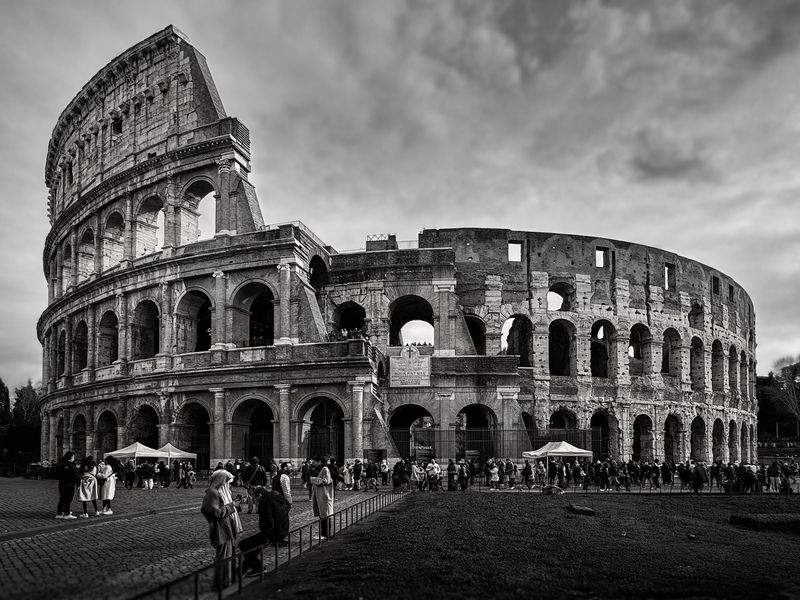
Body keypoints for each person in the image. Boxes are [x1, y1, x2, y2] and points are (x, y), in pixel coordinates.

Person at [201, 469, 243, 589]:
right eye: (227, 482)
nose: (228, 485)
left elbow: (224, 508)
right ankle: (221, 583)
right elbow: (216, 513)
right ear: (221, 481)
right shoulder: (212, 493)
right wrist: (232, 505)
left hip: (227, 527)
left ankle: (228, 580)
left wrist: (235, 504)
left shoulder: (221, 492)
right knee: (224, 555)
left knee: (229, 554)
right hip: (221, 528)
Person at [239, 485, 291, 576]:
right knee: (252, 549)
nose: (256, 501)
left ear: (259, 495)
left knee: (243, 545)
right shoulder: (277, 497)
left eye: (255, 498)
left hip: (272, 533)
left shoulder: (264, 501)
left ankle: (258, 568)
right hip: (282, 530)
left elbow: (268, 520)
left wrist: (266, 535)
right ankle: (240, 571)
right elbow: (287, 507)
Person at [310, 456, 335, 539]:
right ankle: (323, 534)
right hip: (320, 494)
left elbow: (326, 481)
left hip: (324, 495)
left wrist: (312, 479)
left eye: (314, 462)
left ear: (319, 461)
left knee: (325, 514)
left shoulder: (325, 469)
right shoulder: (321, 469)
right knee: (322, 514)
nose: (313, 464)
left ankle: (326, 534)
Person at [55, 451, 79, 519]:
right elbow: (76, 475)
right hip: (70, 484)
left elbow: (56, 474)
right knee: (68, 499)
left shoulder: (60, 464)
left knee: (62, 499)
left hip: (61, 484)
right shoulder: (72, 465)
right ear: (71, 457)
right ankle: (67, 514)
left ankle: (59, 513)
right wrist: (78, 484)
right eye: (73, 457)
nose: (74, 458)